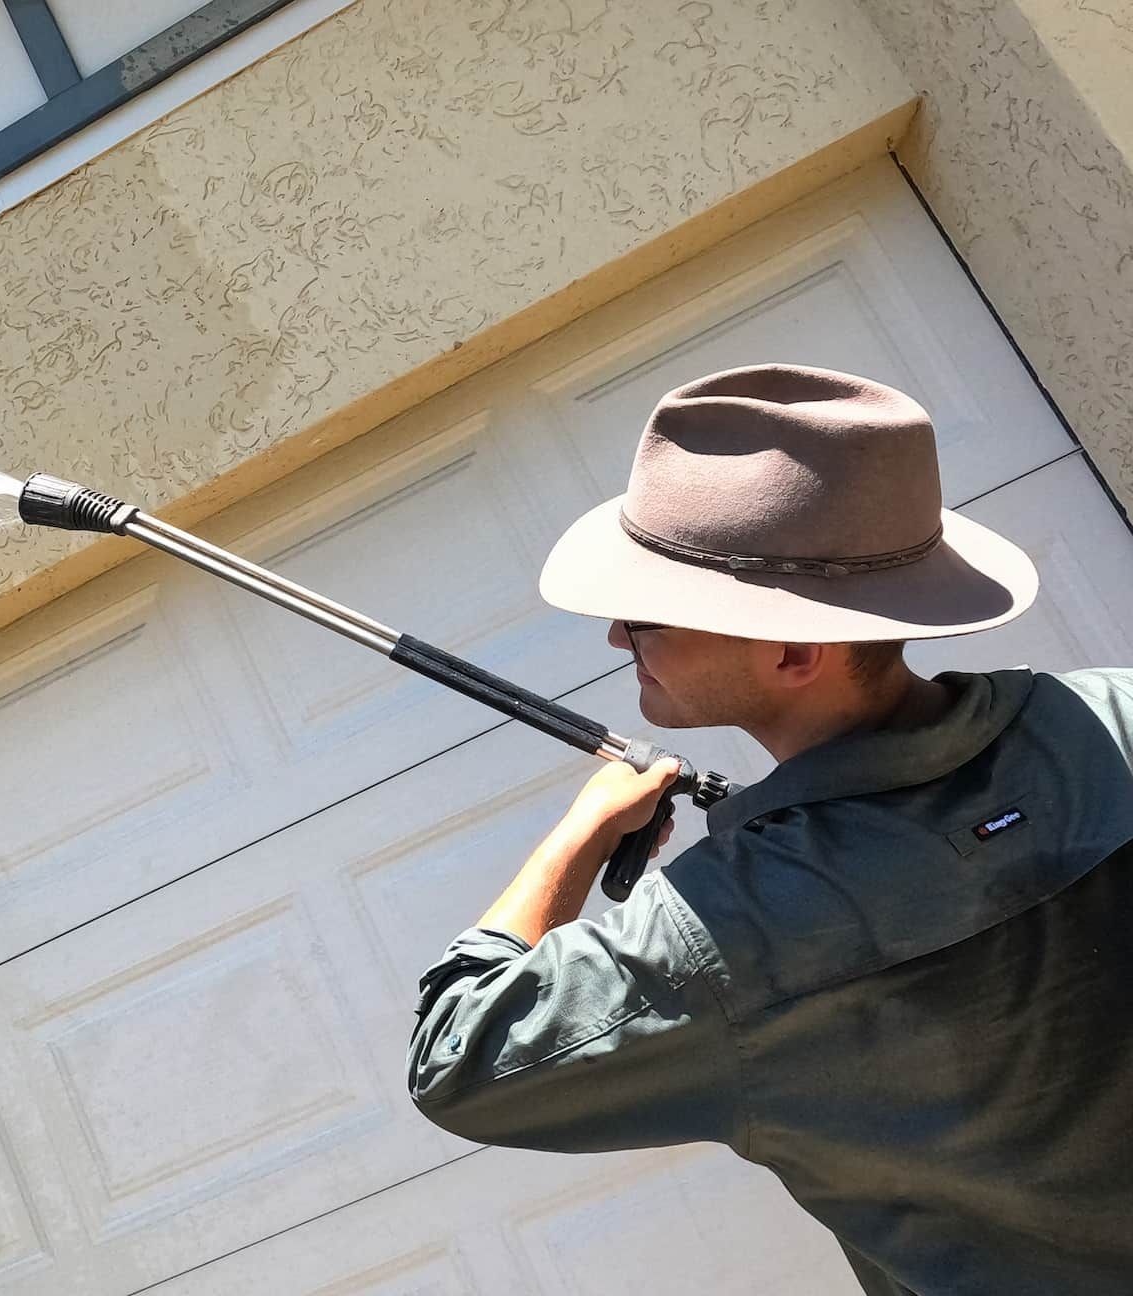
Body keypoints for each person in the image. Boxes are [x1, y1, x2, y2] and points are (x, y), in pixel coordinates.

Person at [406, 364, 1133, 1296]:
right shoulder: (1109, 719)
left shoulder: (728, 932)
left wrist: (580, 835)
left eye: (644, 615)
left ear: (794, 651)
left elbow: (460, 1055)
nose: (618, 641)